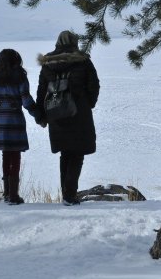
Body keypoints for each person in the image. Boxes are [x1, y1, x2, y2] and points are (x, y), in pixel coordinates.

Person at [36, 30, 100, 206]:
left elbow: (42, 90)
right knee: (77, 153)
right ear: (75, 43)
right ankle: (70, 196)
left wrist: (42, 114)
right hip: (79, 113)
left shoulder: (48, 63)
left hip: (56, 113)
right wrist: (88, 104)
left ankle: (67, 194)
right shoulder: (83, 60)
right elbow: (94, 85)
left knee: (65, 153)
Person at [0, 48, 40, 205]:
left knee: (6, 155)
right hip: (15, 118)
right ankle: (14, 196)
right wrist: (38, 114)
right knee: (15, 155)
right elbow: (26, 100)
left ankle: (7, 193)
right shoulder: (20, 77)